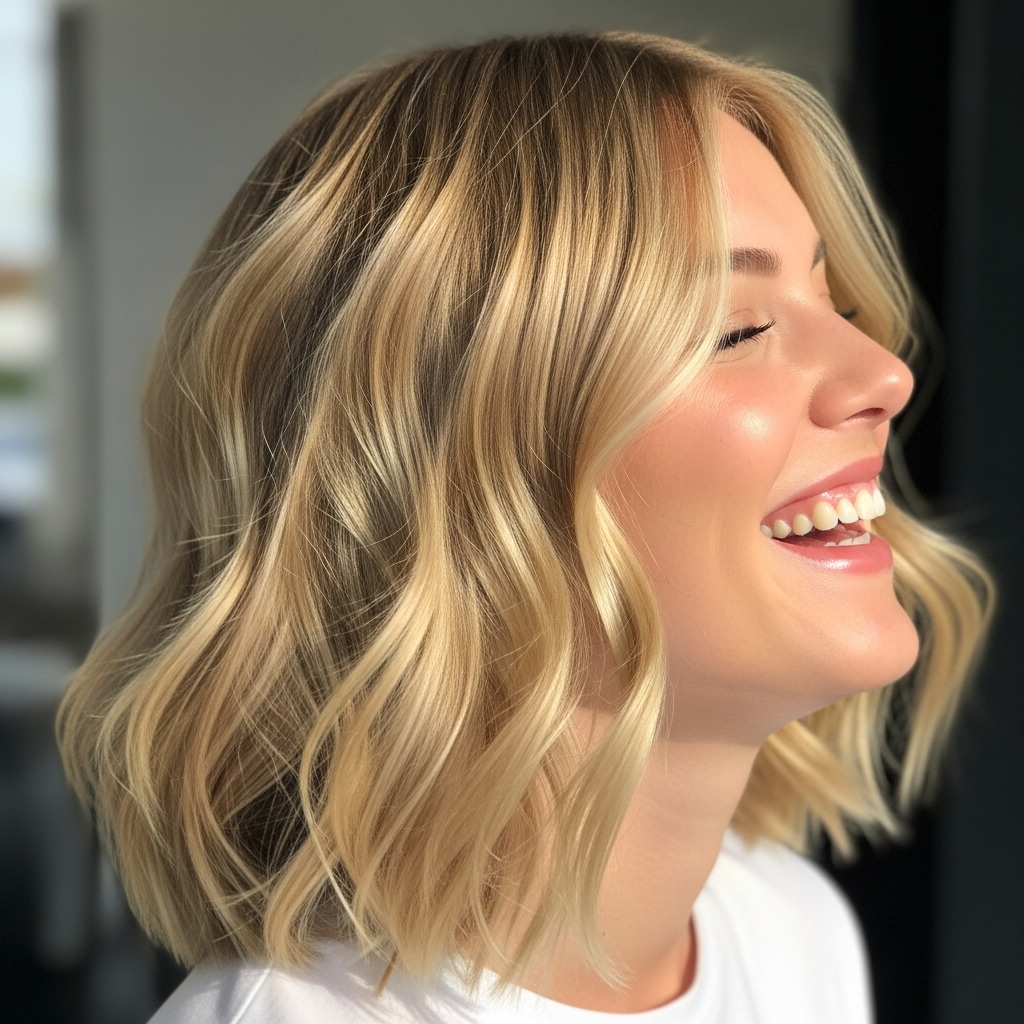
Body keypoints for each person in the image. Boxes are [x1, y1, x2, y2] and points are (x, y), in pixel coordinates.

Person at [56, 32, 992, 1024]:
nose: (885, 374)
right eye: (738, 329)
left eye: (834, 300)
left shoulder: (792, 934)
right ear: (452, 477)